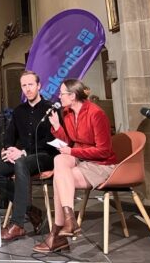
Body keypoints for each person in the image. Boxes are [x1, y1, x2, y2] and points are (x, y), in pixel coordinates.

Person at [33, 79, 117, 254]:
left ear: (72, 95)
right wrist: (57, 127)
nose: (59, 96)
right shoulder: (67, 113)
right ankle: (69, 219)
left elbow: (103, 151)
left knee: (59, 179)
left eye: (62, 93)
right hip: (81, 157)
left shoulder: (96, 114)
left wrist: (72, 152)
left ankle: (57, 234)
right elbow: (69, 142)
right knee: (59, 161)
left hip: (100, 164)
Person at [0, 71, 57, 241]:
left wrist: (23, 153)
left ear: (39, 86)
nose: (27, 89)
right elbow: (9, 136)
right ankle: (30, 209)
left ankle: (17, 224)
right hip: (22, 158)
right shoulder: (19, 111)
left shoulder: (50, 109)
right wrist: (8, 150)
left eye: (30, 84)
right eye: (24, 86)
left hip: (45, 155)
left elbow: (52, 141)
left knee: (21, 163)